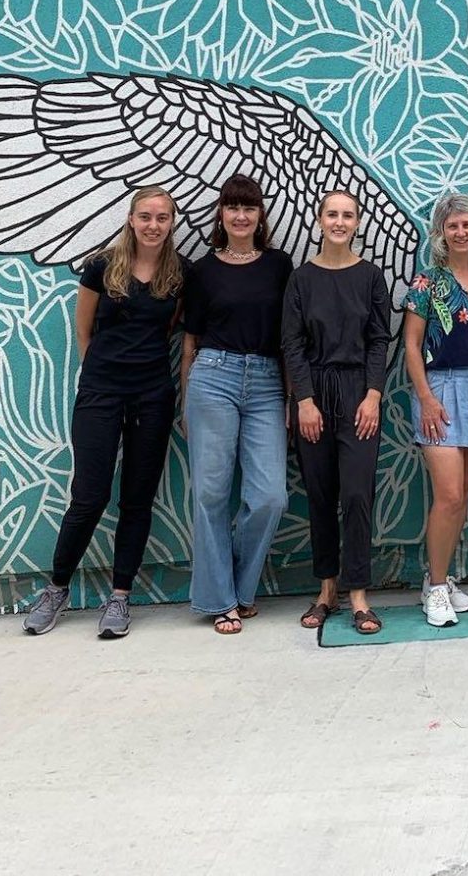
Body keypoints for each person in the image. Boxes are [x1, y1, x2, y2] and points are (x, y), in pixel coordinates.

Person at [22, 187, 183, 638]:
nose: (154, 225)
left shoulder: (178, 275)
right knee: (89, 495)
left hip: (153, 395)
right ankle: (56, 588)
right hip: (100, 393)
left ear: (172, 223)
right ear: (131, 219)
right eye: (146, 216)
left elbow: (169, 330)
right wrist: (103, 375)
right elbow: (84, 331)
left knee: (137, 497)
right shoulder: (101, 266)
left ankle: (120, 596)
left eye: (163, 218)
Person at [181, 174, 292, 634]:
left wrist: (291, 395)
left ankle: (240, 588)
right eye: (232, 207)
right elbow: (190, 340)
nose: (241, 215)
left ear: (260, 215)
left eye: (249, 207)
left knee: (270, 496)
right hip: (212, 378)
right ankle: (219, 599)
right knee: (210, 493)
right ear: (221, 214)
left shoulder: (280, 265)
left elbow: (290, 339)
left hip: (267, 381)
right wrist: (184, 394)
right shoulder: (203, 270)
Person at [282, 191, 390, 633]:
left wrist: (373, 395)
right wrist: (303, 399)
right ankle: (327, 589)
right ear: (320, 220)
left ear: (357, 222)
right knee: (321, 494)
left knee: (357, 494)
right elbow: (291, 342)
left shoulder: (370, 276)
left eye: (348, 215)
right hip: (313, 393)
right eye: (332, 214)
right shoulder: (301, 279)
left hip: (357, 392)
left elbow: (381, 339)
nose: (339, 222)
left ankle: (359, 592)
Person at [403, 192, 468, 627]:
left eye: (467, 225)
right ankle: (439, 590)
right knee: (447, 494)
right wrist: (426, 397)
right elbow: (410, 344)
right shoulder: (427, 282)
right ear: (441, 233)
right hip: (440, 390)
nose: (461, 232)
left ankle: (437, 580)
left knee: (462, 495)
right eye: (452, 226)